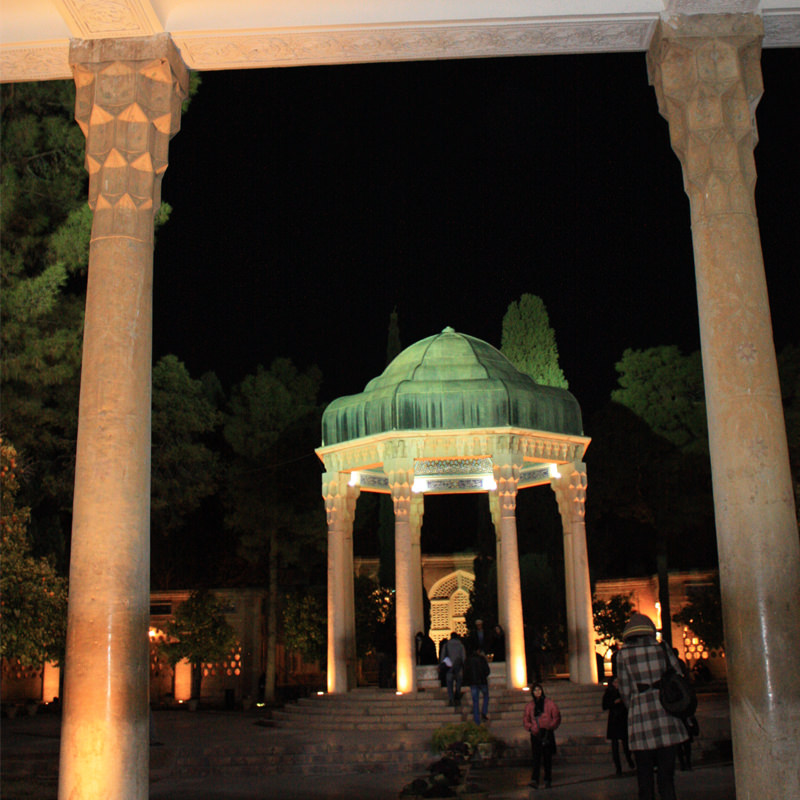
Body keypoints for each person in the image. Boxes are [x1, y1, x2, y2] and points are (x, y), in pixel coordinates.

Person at [617, 613, 689, 800]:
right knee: (667, 778)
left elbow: (625, 690)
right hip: (666, 715)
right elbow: (678, 675)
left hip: (640, 718)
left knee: (644, 777)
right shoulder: (662, 648)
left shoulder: (623, 655)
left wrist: (634, 703)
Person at [523, 683, 561, 789]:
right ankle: (535, 779)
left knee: (547, 757)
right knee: (536, 757)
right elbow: (526, 719)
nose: (537, 692)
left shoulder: (549, 703)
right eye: (535, 690)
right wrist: (531, 727)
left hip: (546, 732)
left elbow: (556, 716)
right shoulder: (530, 706)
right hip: (536, 733)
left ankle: (547, 779)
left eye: (539, 690)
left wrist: (550, 726)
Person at [602, 677, 635, 775]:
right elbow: (604, 705)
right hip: (614, 720)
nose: (616, 684)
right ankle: (618, 767)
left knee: (626, 744)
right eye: (615, 682)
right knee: (615, 746)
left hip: (622, 719)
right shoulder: (609, 693)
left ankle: (629, 760)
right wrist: (613, 703)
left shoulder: (623, 692)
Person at [463, 648, 491, 724]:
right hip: (482, 681)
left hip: (473, 682)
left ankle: (477, 720)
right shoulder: (482, 659)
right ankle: (484, 712)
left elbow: (465, 672)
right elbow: (487, 671)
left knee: (475, 701)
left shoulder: (468, 660)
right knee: (486, 696)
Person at [439, 632, 466, 706]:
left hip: (449, 667)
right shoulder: (461, 645)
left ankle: (451, 699)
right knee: (458, 683)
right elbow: (463, 657)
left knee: (449, 684)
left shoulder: (446, 645)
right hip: (458, 667)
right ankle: (457, 695)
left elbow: (442, 657)